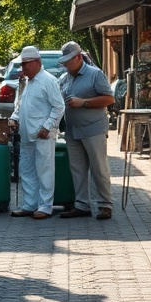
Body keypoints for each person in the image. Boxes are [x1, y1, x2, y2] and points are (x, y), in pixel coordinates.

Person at [57, 41, 115, 220]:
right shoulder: (64, 78)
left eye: (69, 61)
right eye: (64, 61)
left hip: (93, 129)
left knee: (99, 167)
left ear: (78, 57)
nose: (66, 65)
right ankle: (82, 205)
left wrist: (84, 102)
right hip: (72, 130)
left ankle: (105, 205)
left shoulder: (94, 74)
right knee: (77, 168)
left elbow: (109, 99)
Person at [9, 45, 65, 219]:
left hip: (42, 135)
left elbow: (59, 106)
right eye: (22, 64)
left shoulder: (48, 80)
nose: (23, 68)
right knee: (26, 170)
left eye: (26, 64)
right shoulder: (26, 82)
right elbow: (20, 106)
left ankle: (45, 206)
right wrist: (14, 118)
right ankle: (29, 205)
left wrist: (47, 127)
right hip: (26, 135)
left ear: (36, 62)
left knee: (44, 170)